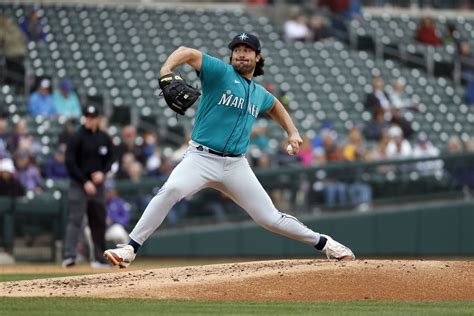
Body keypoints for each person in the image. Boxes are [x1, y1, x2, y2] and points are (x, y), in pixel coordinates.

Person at [104, 32, 355, 268]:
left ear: (258, 57)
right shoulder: (219, 72)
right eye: (237, 50)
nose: (241, 54)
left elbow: (275, 105)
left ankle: (326, 244)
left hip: (236, 165)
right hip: (201, 157)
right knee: (171, 190)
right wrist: (166, 70)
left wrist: (292, 132)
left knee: (269, 218)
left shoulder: (258, 92)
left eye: (247, 50)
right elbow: (186, 52)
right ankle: (130, 248)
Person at [62, 104, 114, 268]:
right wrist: (84, 182)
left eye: (93, 117)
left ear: (98, 118)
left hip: (98, 186)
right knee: (75, 220)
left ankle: (99, 257)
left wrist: (103, 173)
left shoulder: (104, 137)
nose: (90, 120)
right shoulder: (76, 137)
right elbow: (70, 162)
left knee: (98, 221)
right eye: (88, 117)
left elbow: (111, 158)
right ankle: (70, 256)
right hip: (79, 184)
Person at [0, 15, 27, 94]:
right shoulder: (16, 28)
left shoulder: (4, 29)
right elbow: (24, 39)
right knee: (18, 74)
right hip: (21, 54)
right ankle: (19, 91)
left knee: (12, 75)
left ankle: (13, 92)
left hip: (11, 55)